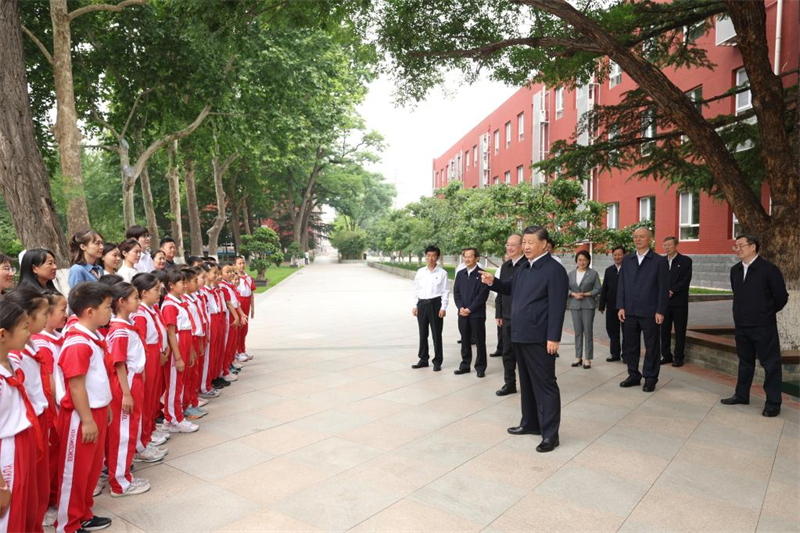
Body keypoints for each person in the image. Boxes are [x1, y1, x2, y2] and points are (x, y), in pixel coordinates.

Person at [481, 225, 568, 453]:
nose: (526, 246)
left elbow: (558, 306)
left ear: (544, 244)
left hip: (540, 338)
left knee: (545, 385)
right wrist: (494, 282)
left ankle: (550, 435)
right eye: (525, 242)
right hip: (520, 334)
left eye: (530, 242)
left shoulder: (553, 269)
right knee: (527, 382)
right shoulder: (523, 268)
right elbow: (510, 288)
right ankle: (530, 423)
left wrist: (553, 337)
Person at [54, 282, 114, 533]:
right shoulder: (78, 342)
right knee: (74, 472)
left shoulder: (92, 337)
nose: (110, 311)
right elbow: (76, 386)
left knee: (89, 469)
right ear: (90, 311)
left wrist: (106, 406)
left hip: (95, 410)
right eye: (107, 307)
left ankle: (83, 513)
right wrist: (88, 419)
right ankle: (67, 524)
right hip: (81, 416)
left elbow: (96, 378)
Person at [721, 234, 788, 417]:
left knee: (771, 364)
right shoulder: (735, 270)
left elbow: (781, 297)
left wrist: (765, 312)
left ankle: (773, 402)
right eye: (736, 246)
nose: (738, 249)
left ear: (753, 247)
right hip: (741, 326)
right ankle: (741, 395)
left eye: (741, 245)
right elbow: (738, 294)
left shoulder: (769, 269)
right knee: (745, 362)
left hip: (763, 326)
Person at [6, 288, 51, 529]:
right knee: (18, 501)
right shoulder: (14, 357)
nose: (49, 316)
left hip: (34, 422)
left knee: (35, 491)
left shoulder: (24, 350)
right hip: (17, 436)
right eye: (45, 312)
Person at [106, 282, 157, 497]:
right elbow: (118, 363)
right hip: (125, 383)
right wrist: (126, 393)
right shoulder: (119, 331)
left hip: (132, 380)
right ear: (121, 302)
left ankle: (123, 474)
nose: (138, 301)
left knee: (129, 428)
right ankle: (120, 483)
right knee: (123, 433)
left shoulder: (126, 327)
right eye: (135, 298)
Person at [0, 299, 41, 532]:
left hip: (21, 443)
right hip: (6, 450)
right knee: (9, 513)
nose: (29, 333)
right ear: (3, 334)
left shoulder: (10, 363)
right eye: (25, 327)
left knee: (26, 506)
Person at [617, 227, 669, 393]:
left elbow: (663, 288)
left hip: (650, 311)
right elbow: (622, 284)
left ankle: (650, 377)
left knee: (652, 346)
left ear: (650, 239)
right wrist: (621, 306)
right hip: (630, 310)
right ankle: (633, 375)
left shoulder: (658, 261)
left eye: (642, 237)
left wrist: (660, 310)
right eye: (635, 237)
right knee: (631, 345)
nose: (638, 239)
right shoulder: (627, 259)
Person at [31, 291, 68, 527]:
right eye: (61, 310)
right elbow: (49, 379)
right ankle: (48, 504)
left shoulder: (55, 336)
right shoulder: (42, 343)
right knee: (50, 458)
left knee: (56, 455)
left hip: (57, 406)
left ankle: (55, 495)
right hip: (52, 407)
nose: (66, 315)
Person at [131, 274, 171, 459]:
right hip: (148, 358)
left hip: (156, 354)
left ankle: (148, 434)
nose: (160, 292)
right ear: (144, 293)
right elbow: (142, 342)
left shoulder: (151, 309)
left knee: (153, 398)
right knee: (146, 401)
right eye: (156, 289)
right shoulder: (140, 314)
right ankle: (143, 441)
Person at [160, 270, 199, 433]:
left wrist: (189, 352)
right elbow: (171, 333)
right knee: (174, 385)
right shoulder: (169, 305)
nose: (184, 285)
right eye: (181, 283)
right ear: (171, 285)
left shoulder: (179, 302)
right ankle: (173, 418)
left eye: (185, 282)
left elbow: (187, 328)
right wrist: (177, 357)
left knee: (180, 384)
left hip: (184, 344)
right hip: (177, 346)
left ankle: (174, 417)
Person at [494, 235, 525, 396]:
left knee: (523, 354)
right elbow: (501, 290)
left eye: (513, 245)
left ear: (521, 246)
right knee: (507, 352)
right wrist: (498, 313)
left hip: (523, 318)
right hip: (506, 317)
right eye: (508, 245)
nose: (510, 248)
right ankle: (509, 383)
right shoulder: (505, 266)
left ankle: (528, 385)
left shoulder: (527, 265)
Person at [411, 245, 449, 371]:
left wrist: (443, 307)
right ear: (426, 256)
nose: (431, 258)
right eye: (428, 255)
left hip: (435, 304)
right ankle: (423, 359)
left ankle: (437, 361)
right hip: (422, 304)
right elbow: (416, 289)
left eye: (433, 255)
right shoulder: (420, 272)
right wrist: (414, 305)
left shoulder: (442, 273)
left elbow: (445, 291)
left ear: (437, 257)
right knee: (423, 333)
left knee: (436, 334)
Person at [453, 248, 490, 378]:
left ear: (477, 258)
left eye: (470, 257)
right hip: (462, 313)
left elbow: (482, 296)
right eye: (465, 257)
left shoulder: (482, 275)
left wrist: (470, 309)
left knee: (480, 341)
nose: (467, 259)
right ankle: (465, 365)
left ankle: (480, 367)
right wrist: (460, 307)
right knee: (464, 340)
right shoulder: (460, 274)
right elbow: (456, 293)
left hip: (477, 315)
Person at [660, 236, 693, 367]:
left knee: (680, 330)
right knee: (664, 330)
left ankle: (679, 357)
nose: (667, 248)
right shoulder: (661, 261)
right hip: (664, 303)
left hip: (679, 302)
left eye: (669, 245)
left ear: (676, 245)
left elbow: (686, 280)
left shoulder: (685, 261)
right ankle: (666, 355)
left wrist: (672, 290)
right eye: (665, 245)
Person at [568, 250, 601, 369]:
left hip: (588, 305)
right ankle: (578, 357)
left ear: (588, 261)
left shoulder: (593, 273)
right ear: (576, 260)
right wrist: (572, 294)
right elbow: (565, 288)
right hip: (575, 305)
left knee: (588, 332)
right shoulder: (571, 274)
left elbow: (598, 288)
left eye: (584, 260)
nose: (582, 262)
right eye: (580, 260)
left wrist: (586, 294)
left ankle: (588, 358)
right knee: (577, 332)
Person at [599, 246, 625, 362]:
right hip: (611, 305)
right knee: (612, 330)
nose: (617, 257)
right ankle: (615, 354)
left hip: (625, 306)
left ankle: (626, 355)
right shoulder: (609, 270)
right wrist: (601, 304)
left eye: (619, 254)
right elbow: (604, 288)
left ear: (624, 255)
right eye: (615, 255)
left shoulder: (628, 269)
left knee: (627, 331)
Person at [234, 256, 255, 362]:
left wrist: (252, 308)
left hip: (246, 302)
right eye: (239, 263)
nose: (242, 265)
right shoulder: (235, 278)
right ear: (235, 265)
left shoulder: (248, 277)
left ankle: (242, 349)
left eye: (243, 263)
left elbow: (251, 294)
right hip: (239, 302)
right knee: (239, 328)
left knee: (245, 329)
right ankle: (237, 351)